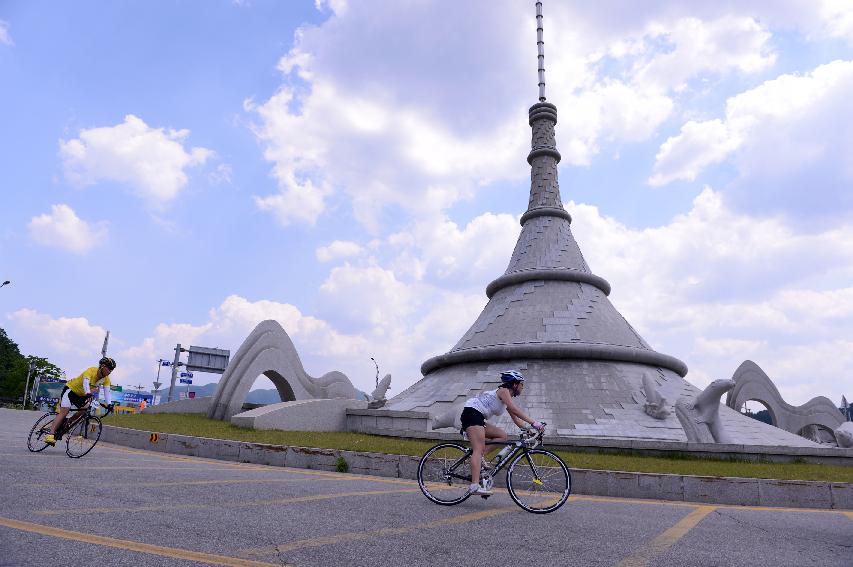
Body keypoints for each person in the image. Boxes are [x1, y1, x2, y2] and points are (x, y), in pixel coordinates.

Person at [460, 370, 544, 495]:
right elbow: (515, 409)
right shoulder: (503, 391)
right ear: (514, 384)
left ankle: (479, 457)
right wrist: (534, 422)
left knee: (502, 436)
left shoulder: (506, 399)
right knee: (478, 448)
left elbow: (516, 419)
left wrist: (530, 431)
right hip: (471, 414)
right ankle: (474, 486)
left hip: (478, 417)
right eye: (521, 384)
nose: (522, 387)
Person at [44, 357, 116, 446]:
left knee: (84, 409)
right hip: (71, 390)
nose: (110, 371)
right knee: (64, 411)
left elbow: (107, 391)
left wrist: (109, 404)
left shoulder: (106, 379)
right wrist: (88, 392)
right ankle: (50, 434)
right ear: (102, 366)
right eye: (109, 369)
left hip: (81, 395)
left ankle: (68, 422)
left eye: (111, 370)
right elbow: (86, 382)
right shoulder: (91, 371)